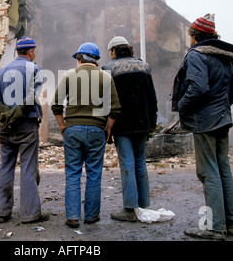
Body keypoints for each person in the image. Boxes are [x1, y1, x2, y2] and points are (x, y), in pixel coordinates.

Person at [172, 14, 233, 240]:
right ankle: (232, 224)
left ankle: (214, 227)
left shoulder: (196, 55)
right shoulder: (226, 58)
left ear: (194, 36)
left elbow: (198, 88)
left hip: (204, 121)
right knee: (223, 170)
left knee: (208, 172)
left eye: (189, 35)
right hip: (223, 120)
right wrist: (220, 108)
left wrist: (183, 106)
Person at [51, 42, 121, 228]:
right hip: (97, 131)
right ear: (96, 60)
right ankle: (91, 216)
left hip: (72, 130)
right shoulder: (106, 77)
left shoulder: (68, 76)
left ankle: (73, 216)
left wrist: (62, 127)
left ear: (80, 59)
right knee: (94, 174)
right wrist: (107, 129)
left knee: (72, 173)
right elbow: (115, 110)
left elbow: (56, 106)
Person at [0, 36, 49, 224]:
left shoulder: (0, 72)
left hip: (6, 126)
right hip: (27, 125)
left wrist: (5, 113)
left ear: (17, 52)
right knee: (28, 167)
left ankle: (1, 211)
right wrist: (18, 111)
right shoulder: (35, 69)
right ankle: (30, 213)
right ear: (30, 52)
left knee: (5, 165)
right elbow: (33, 96)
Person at [102, 36, 158, 222]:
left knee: (127, 163)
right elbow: (152, 98)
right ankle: (143, 206)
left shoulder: (108, 69)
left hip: (121, 124)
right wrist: (152, 123)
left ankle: (129, 209)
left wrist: (106, 126)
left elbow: (106, 101)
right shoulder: (145, 66)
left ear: (114, 51)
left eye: (110, 52)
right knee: (141, 163)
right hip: (142, 123)